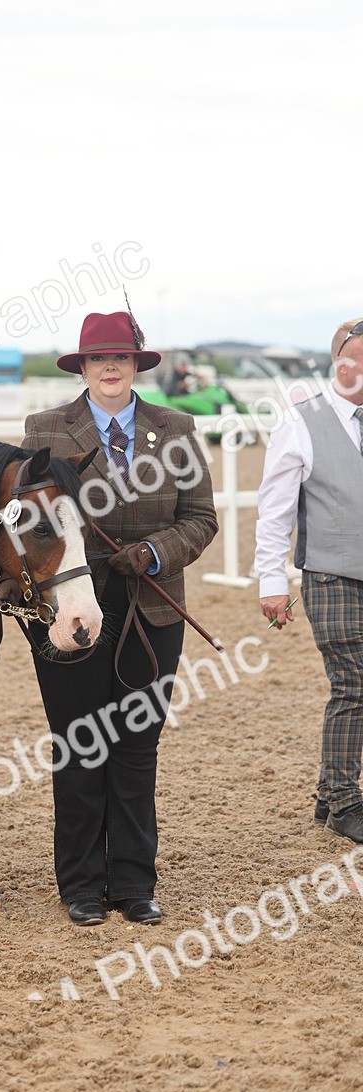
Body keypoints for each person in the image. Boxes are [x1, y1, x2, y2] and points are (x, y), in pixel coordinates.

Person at [20, 311, 218, 926]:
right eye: (98, 358)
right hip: (70, 612)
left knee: (135, 748)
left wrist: (155, 552)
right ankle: (81, 885)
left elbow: (201, 517)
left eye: (121, 358)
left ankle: (133, 883)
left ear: (136, 365)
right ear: (82, 367)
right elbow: (27, 521)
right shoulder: (45, 430)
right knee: (79, 746)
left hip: (152, 609)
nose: (110, 367)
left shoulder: (176, 429)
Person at [255, 317, 363, 843]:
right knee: (355, 684)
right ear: (341, 362)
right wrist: (270, 581)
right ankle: (345, 801)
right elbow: (275, 510)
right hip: (330, 576)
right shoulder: (301, 422)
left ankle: (328, 793)